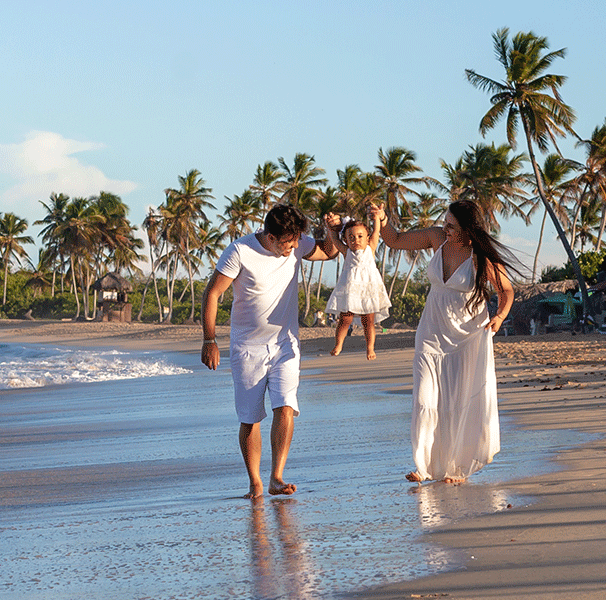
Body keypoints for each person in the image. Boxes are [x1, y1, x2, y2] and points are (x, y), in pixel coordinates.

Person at [373, 199, 517, 484]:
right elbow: (396, 240)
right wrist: (382, 219)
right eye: (445, 221)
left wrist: (499, 317)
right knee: (425, 399)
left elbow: (507, 291)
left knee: (458, 402)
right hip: (430, 334)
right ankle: (424, 466)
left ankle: (456, 469)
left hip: (467, 337)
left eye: (451, 224)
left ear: (467, 229)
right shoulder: (436, 238)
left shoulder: (481, 258)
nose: (445, 227)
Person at [202, 203, 339, 499]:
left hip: (285, 343)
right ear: (271, 236)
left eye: (296, 242)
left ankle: (276, 475)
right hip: (247, 348)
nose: (293, 249)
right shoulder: (240, 251)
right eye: (287, 244)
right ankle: (255, 481)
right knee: (250, 418)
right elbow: (212, 292)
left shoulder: (299, 244)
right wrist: (209, 340)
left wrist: (332, 229)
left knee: (285, 404)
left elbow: (329, 251)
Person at [324, 212, 391, 360]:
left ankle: (370, 348)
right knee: (345, 319)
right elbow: (335, 239)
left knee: (368, 321)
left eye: (360, 236)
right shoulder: (346, 251)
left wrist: (376, 218)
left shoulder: (371, 247)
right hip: (351, 291)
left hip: (368, 290)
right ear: (346, 240)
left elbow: (376, 230)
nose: (356, 240)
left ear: (367, 237)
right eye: (351, 238)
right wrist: (330, 228)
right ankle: (339, 344)